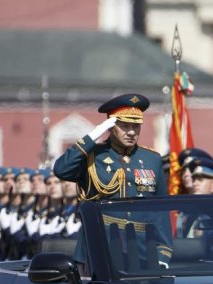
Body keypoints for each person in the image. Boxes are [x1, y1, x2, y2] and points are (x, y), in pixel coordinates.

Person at [52, 93, 171, 268]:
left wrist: (163, 252)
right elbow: (61, 169)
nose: (131, 132)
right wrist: (92, 137)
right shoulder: (93, 155)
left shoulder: (152, 159)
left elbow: (160, 209)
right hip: (100, 244)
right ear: (111, 126)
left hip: (142, 249)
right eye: (124, 126)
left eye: (136, 126)